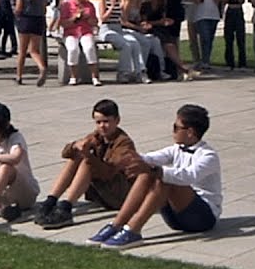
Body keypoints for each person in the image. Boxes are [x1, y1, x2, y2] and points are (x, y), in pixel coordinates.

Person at [92, 104, 223, 250]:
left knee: (163, 178)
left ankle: (133, 229)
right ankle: (116, 225)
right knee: (148, 173)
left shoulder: (208, 156)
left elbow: (188, 176)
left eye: (176, 127)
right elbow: (151, 158)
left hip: (202, 218)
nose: (173, 131)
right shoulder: (176, 149)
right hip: (176, 217)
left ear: (190, 132)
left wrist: (154, 170)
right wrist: (130, 158)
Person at [34, 99, 138, 229]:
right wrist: (75, 146)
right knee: (77, 156)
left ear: (117, 121)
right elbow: (65, 154)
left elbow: (109, 173)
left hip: (120, 195)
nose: (102, 126)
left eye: (106, 121)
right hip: (101, 192)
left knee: (87, 161)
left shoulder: (124, 143)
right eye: (98, 122)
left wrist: (88, 155)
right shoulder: (98, 136)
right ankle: (51, 201)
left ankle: (66, 207)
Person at [142, 0, 196, 81]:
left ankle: (180, 68)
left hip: (159, 28)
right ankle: (183, 68)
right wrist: (159, 22)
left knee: (170, 41)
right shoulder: (147, 5)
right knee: (168, 44)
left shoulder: (162, 4)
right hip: (150, 28)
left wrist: (165, 21)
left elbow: (162, 19)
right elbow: (144, 22)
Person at [60, 0, 102, 86]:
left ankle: (94, 77)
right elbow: (63, 23)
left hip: (85, 31)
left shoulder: (89, 5)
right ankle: (73, 76)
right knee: (73, 49)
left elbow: (95, 22)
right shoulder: (67, 5)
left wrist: (88, 18)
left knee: (89, 48)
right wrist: (75, 17)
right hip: (71, 32)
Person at [13, 0, 48, 86]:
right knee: (34, 50)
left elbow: (18, 8)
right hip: (38, 21)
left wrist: (15, 13)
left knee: (22, 51)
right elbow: (44, 9)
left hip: (25, 20)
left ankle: (19, 76)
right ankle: (41, 67)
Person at [189, 0, 222, 71]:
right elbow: (196, 0)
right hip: (201, 15)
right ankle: (204, 61)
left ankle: (206, 60)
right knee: (205, 37)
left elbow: (218, 1)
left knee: (210, 39)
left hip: (213, 15)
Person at [221, 0, 248, 71]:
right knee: (228, 38)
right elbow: (224, 0)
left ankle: (242, 63)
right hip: (230, 11)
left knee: (240, 38)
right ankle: (229, 62)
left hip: (238, 11)